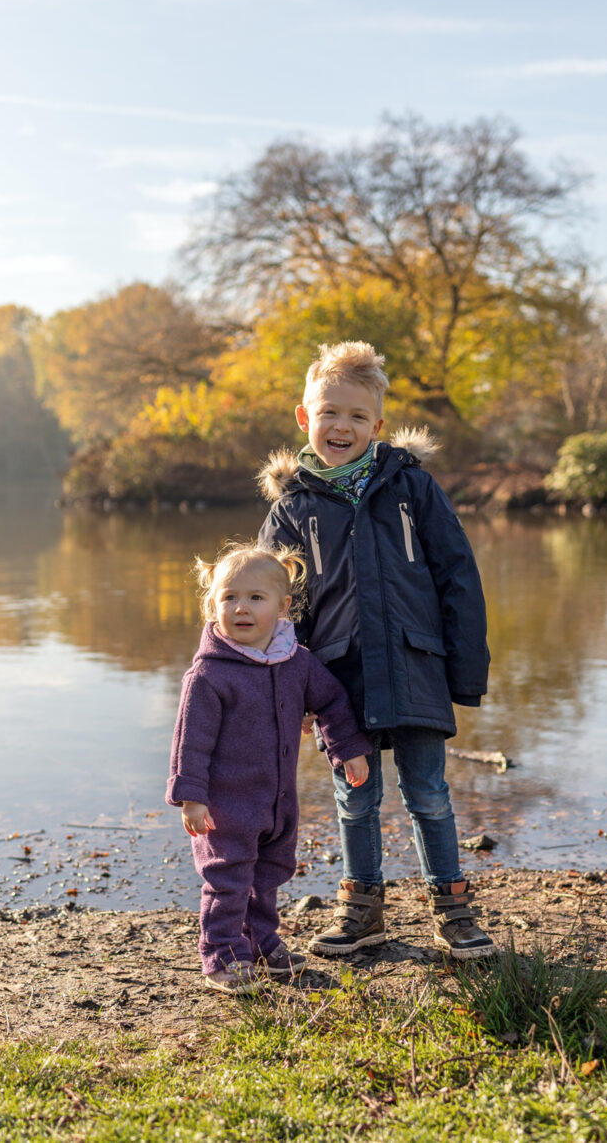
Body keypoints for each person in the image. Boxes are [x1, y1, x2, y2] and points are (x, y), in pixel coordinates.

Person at [257, 341, 494, 961]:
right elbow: (279, 608)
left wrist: (466, 672)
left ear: (377, 426)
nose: (343, 426)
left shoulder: (413, 488)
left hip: (416, 666)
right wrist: (289, 691)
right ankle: (362, 909)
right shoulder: (293, 509)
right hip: (338, 677)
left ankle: (453, 906)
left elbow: (458, 577)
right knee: (354, 795)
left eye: (358, 417)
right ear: (305, 418)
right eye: (330, 412)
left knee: (429, 794)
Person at [166, 542, 371, 994]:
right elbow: (190, 743)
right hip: (225, 805)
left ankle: (261, 942)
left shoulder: (296, 661)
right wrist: (191, 797)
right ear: (212, 604)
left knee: (271, 872)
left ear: (282, 606)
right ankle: (223, 954)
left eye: (255, 598)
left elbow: (332, 700)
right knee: (228, 879)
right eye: (229, 597)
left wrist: (346, 747)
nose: (241, 608)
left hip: (278, 801)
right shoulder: (209, 675)